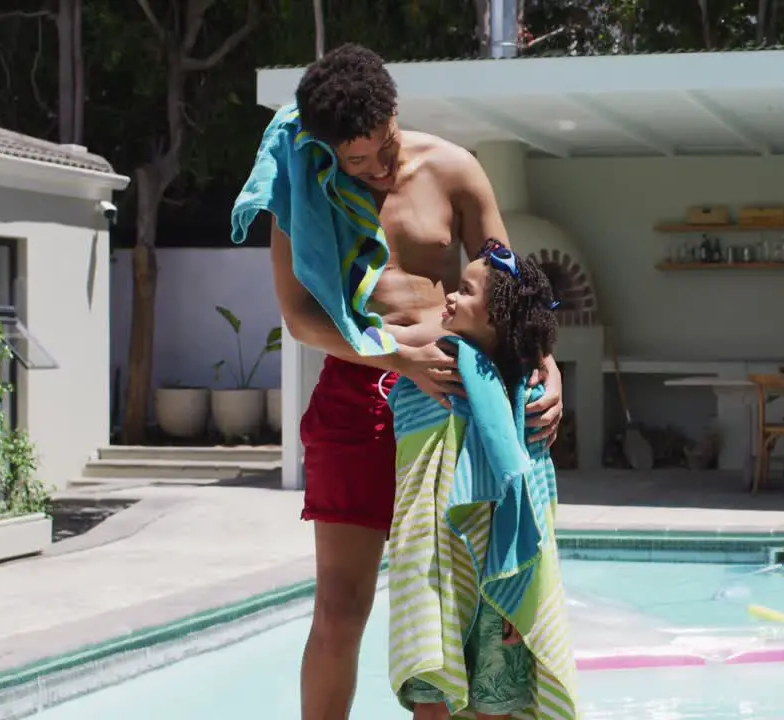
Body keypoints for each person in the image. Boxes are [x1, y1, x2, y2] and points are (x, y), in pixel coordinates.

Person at [249, 44, 565, 719]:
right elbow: (301, 319)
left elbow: (511, 295)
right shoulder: (303, 189)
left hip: (457, 399)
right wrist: (398, 359)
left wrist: (547, 367)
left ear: (395, 112)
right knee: (340, 608)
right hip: (358, 400)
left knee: (462, 609)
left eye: (381, 148)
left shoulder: (455, 169)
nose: (374, 169)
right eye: (354, 161)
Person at [387, 241, 576, 720]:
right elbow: (357, 335)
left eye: (466, 292)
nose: (450, 296)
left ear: (496, 316)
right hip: (430, 564)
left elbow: (537, 498)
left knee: (495, 703)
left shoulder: (527, 396)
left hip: (502, 565)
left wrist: (525, 589)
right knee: (430, 698)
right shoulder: (430, 371)